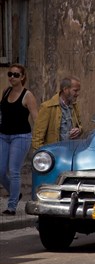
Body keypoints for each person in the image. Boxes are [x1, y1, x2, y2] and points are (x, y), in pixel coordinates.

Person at [0, 64, 38, 215]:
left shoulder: (27, 95)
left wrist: (38, 139)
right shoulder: (5, 91)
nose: (12, 77)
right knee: (1, 171)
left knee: (14, 171)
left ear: (22, 77)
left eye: (16, 75)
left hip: (21, 136)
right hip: (3, 135)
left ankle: (12, 206)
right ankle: (15, 193)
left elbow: (36, 118)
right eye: (10, 74)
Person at [32, 76, 82, 150]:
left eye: (78, 91)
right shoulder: (47, 107)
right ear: (65, 89)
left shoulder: (74, 106)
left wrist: (79, 130)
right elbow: (38, 137)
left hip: (71, 151)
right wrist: (40, 156)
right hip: (54, 153)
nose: (77, 94)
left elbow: (80, 125)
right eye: (75, 90)